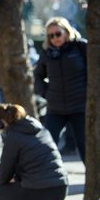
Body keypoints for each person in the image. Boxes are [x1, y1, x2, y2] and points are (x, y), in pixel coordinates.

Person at [0, 103, 68, 200]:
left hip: (41, 191)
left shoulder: (13, 137)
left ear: (1, 123)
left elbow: (4, 172)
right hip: (60, 191)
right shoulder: (41, 129)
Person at [33, 16, 89, 163]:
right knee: (47, 143)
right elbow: (38, 76)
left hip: (79, 106)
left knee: (85, 145)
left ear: (66, 32)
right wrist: (46, 93)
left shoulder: (80, 47)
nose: (55, 38)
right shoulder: (47, 54)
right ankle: (46, 177)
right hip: (56, 107)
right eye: (51, 36)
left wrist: (87, 92)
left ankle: (92, 181)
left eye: (58, 34)